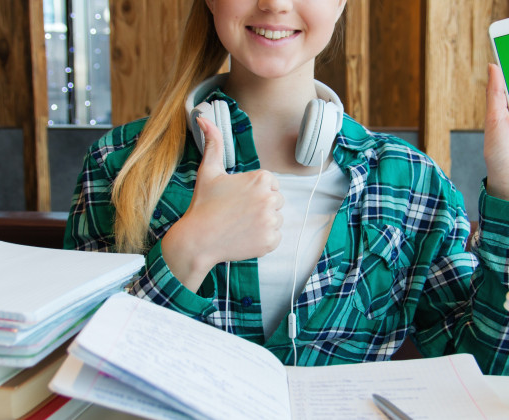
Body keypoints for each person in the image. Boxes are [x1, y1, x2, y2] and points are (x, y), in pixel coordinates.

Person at [64, 0, 509, 374]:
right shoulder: (120, 163)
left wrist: (507, 189)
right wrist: (190, 250)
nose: (275, 3)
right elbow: (81, 376)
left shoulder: (409, 183)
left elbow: (488, 372)